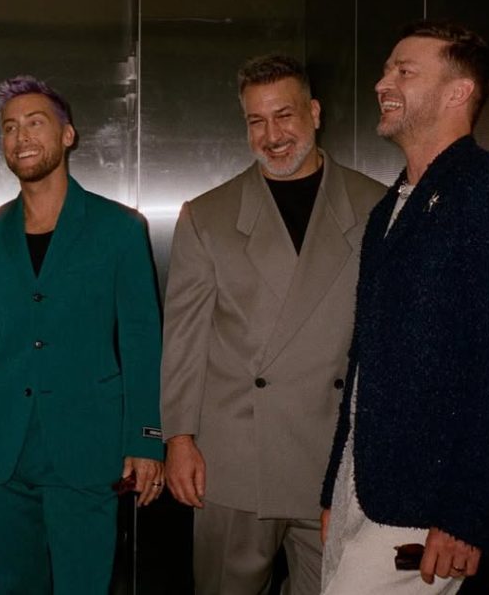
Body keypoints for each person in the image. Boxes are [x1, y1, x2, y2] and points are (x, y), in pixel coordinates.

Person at [320, 21, 489, 593]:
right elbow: (364, 359)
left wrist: (466, 515)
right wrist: (335, 489)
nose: (383, 83)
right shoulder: (391, 206)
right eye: (386, 70)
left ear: (458, 92)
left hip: (428, 505)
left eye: (405, 71)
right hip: (364, 488)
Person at [160, 55, 385, 594]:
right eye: (256, 121)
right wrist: (179, 438)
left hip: (335, 459)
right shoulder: (207, 215)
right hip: (236, 457)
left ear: (314, 112)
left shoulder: (375, 205)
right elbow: (184, 340)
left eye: (284, 116)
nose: (272, 136)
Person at [0, 75, 164, 593]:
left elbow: (142, 339)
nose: (21, 137)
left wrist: (146, 440)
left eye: (35, 123)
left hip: (88, 447)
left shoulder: (120, 228)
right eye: (9, 127)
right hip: (0, 449)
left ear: (67, 135)